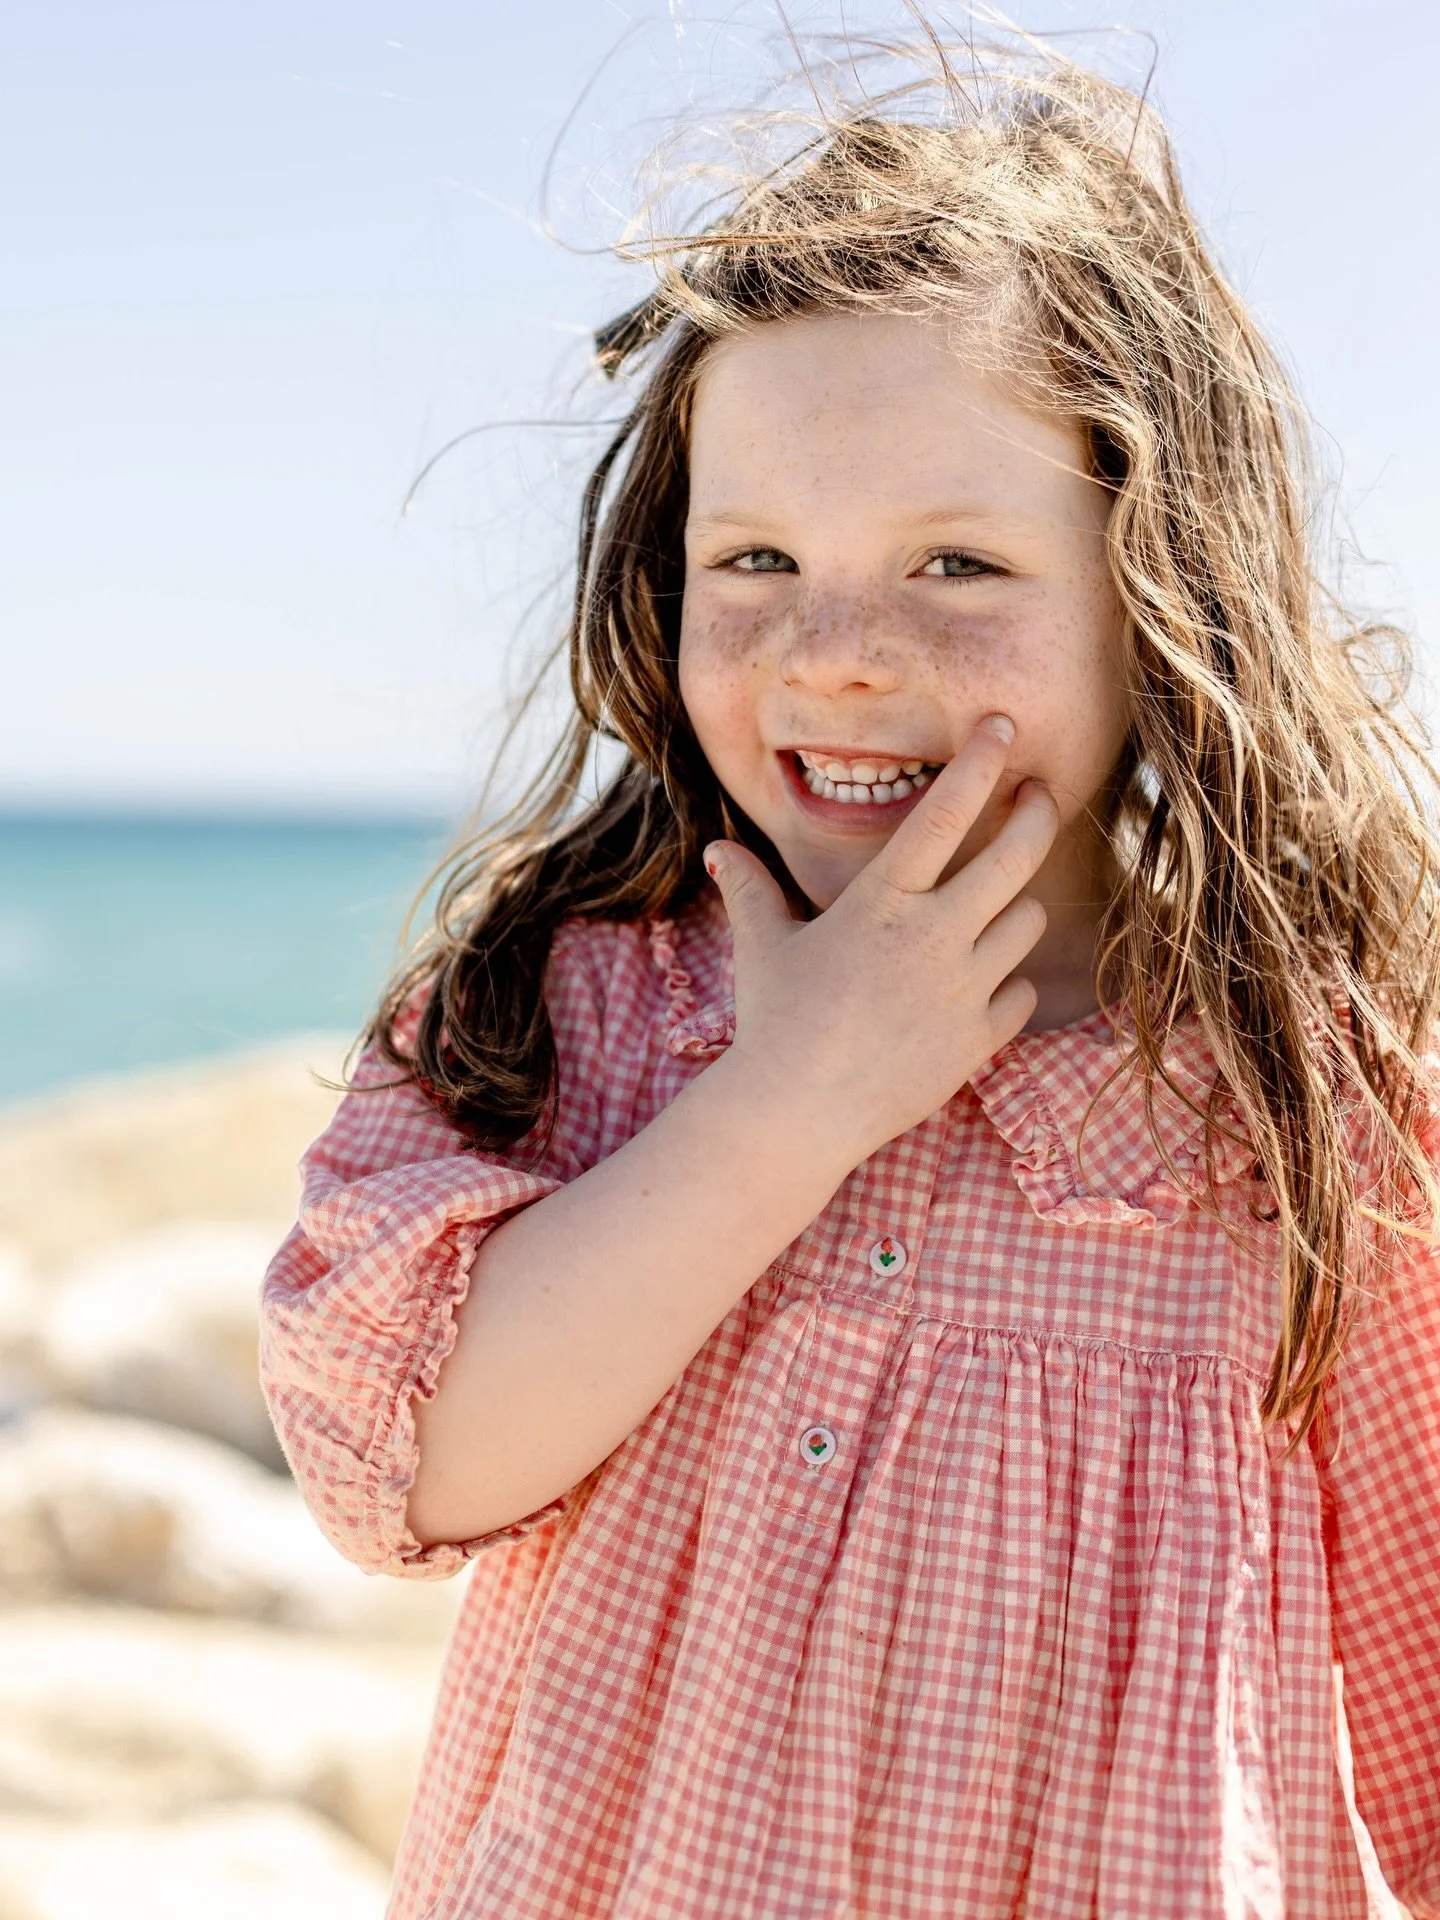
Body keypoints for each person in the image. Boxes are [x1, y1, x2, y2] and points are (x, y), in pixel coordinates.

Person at [259, 35, 1440, 1920]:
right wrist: (790, 1105)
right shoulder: (580, 1009)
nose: (838, 654)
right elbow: (397, 1470)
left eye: (960, 561)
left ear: (1166, 591)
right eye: (759, 559)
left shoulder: (1302, 1099)